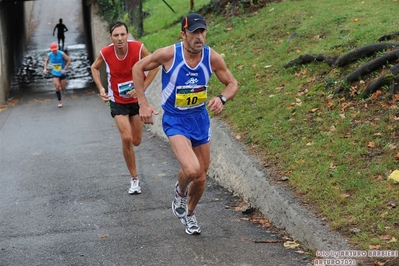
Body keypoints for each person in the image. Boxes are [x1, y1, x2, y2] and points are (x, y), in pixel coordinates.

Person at [133, 13, 239, 235]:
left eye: (202, 31)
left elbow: (232, 83)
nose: (199, 37)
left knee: (201, 177)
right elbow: (138, 67)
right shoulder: (169, 54)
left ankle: (190, 214)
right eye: (194, 32)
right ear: (183, 34)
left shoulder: (212, 58)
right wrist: (142, 103)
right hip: (176, 120)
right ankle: (180, 192)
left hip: (200, 120)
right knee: (191, 169)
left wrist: (221, 98)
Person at [90, 21, 159, 195]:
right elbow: (94, 67)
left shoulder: (138, 48)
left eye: (123, 34)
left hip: (136, 102)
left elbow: (154, 66)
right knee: (127, 138)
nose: (120, 38)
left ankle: (133, 169)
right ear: (110, 37)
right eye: (116, 35)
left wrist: (141, 87)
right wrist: (101, 88)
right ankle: (134, 179)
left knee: (136, 140)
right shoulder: (105, 53)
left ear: (127, 35)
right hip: (117, 101)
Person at [43, 42, 71, 108]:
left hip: (62, 72)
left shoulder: (61, 54)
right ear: (51, 50)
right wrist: (45, 69)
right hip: (55, 73)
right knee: (57, 86)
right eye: (53, 50)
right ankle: (59, 101)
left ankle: (60, 91)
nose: (54, 51)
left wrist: (65, 68)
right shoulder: (49, 55)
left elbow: (69, 60)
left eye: (55, 50)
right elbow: (46, 61)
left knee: (63, 88)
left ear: (57, 49)